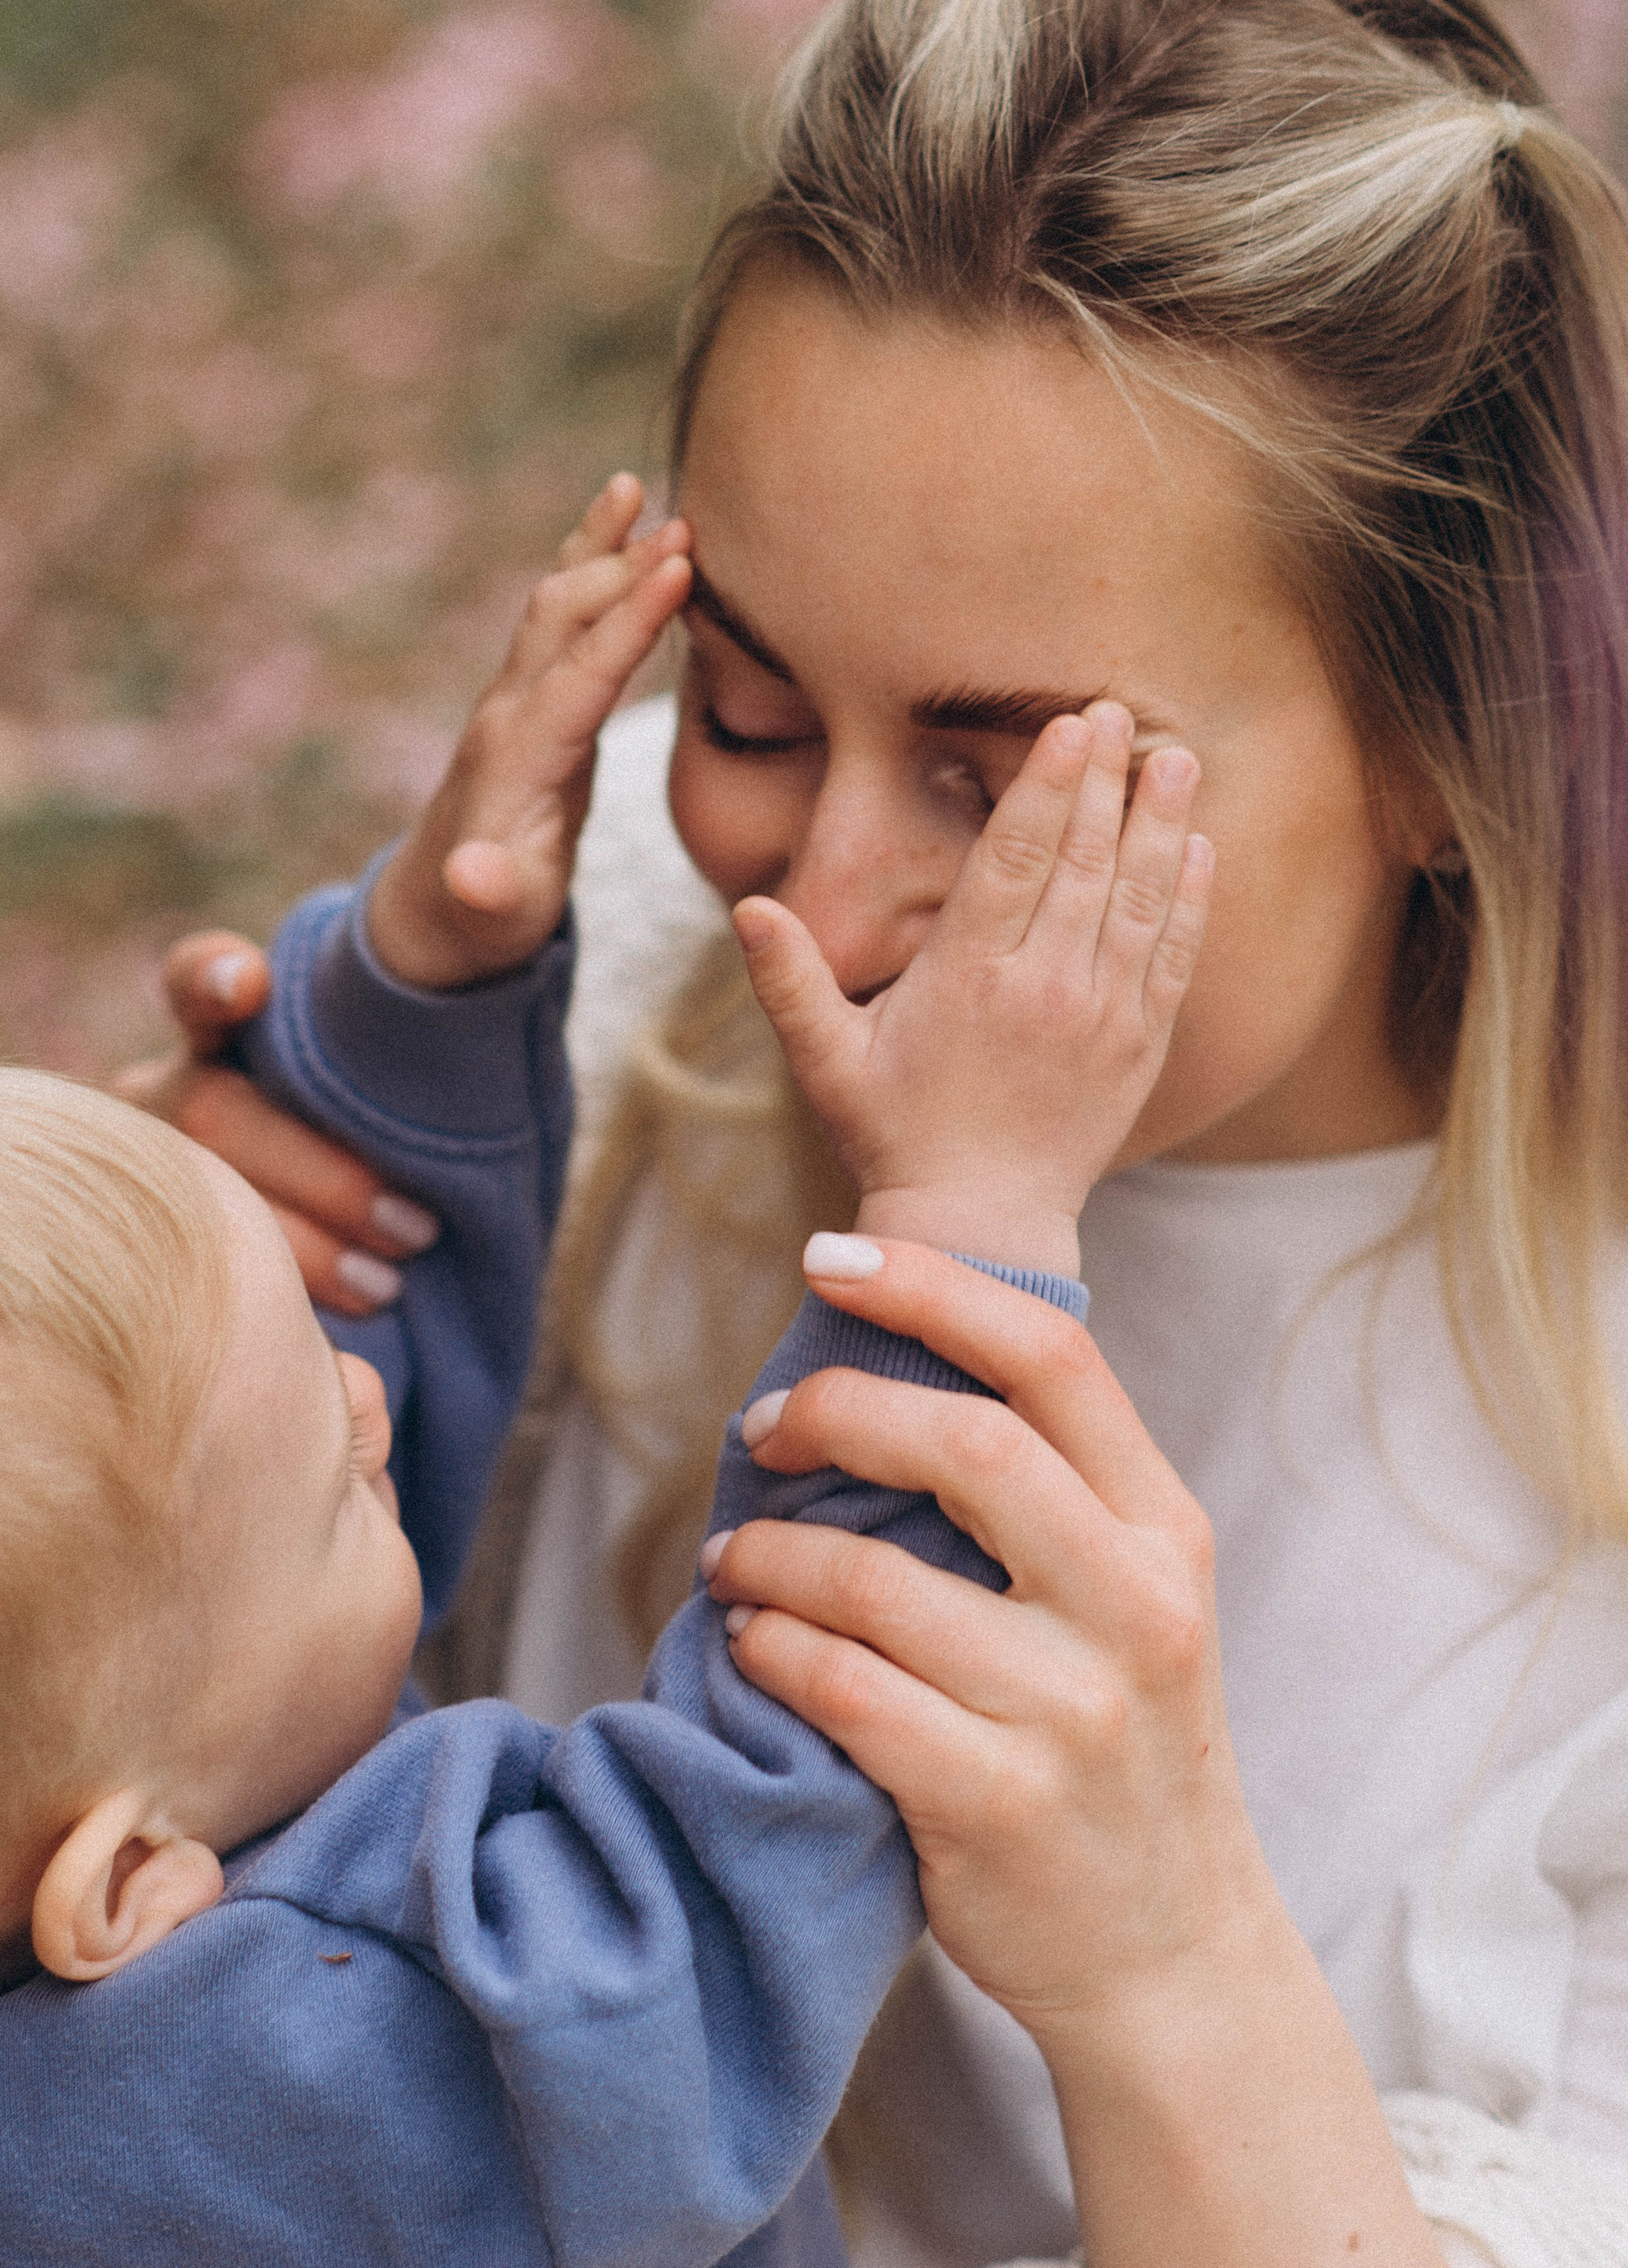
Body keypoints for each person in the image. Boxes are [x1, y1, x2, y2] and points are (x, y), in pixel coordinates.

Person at [124, 0, 1628, 2268]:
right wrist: (185, 1368)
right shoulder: (629, 957)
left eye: (1001, 780)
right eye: (741, 705)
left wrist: (1165, 1964)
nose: (809, 917)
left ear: (1463, 740)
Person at [0, 480, 1213, 2264]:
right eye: (335, 1487)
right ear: (125, 1888)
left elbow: (213, 1491)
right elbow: (718, 1891)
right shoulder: (275, 2089)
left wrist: (421, 990)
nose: (368, 1401)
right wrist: (961, 1226)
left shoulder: (142, 1804)